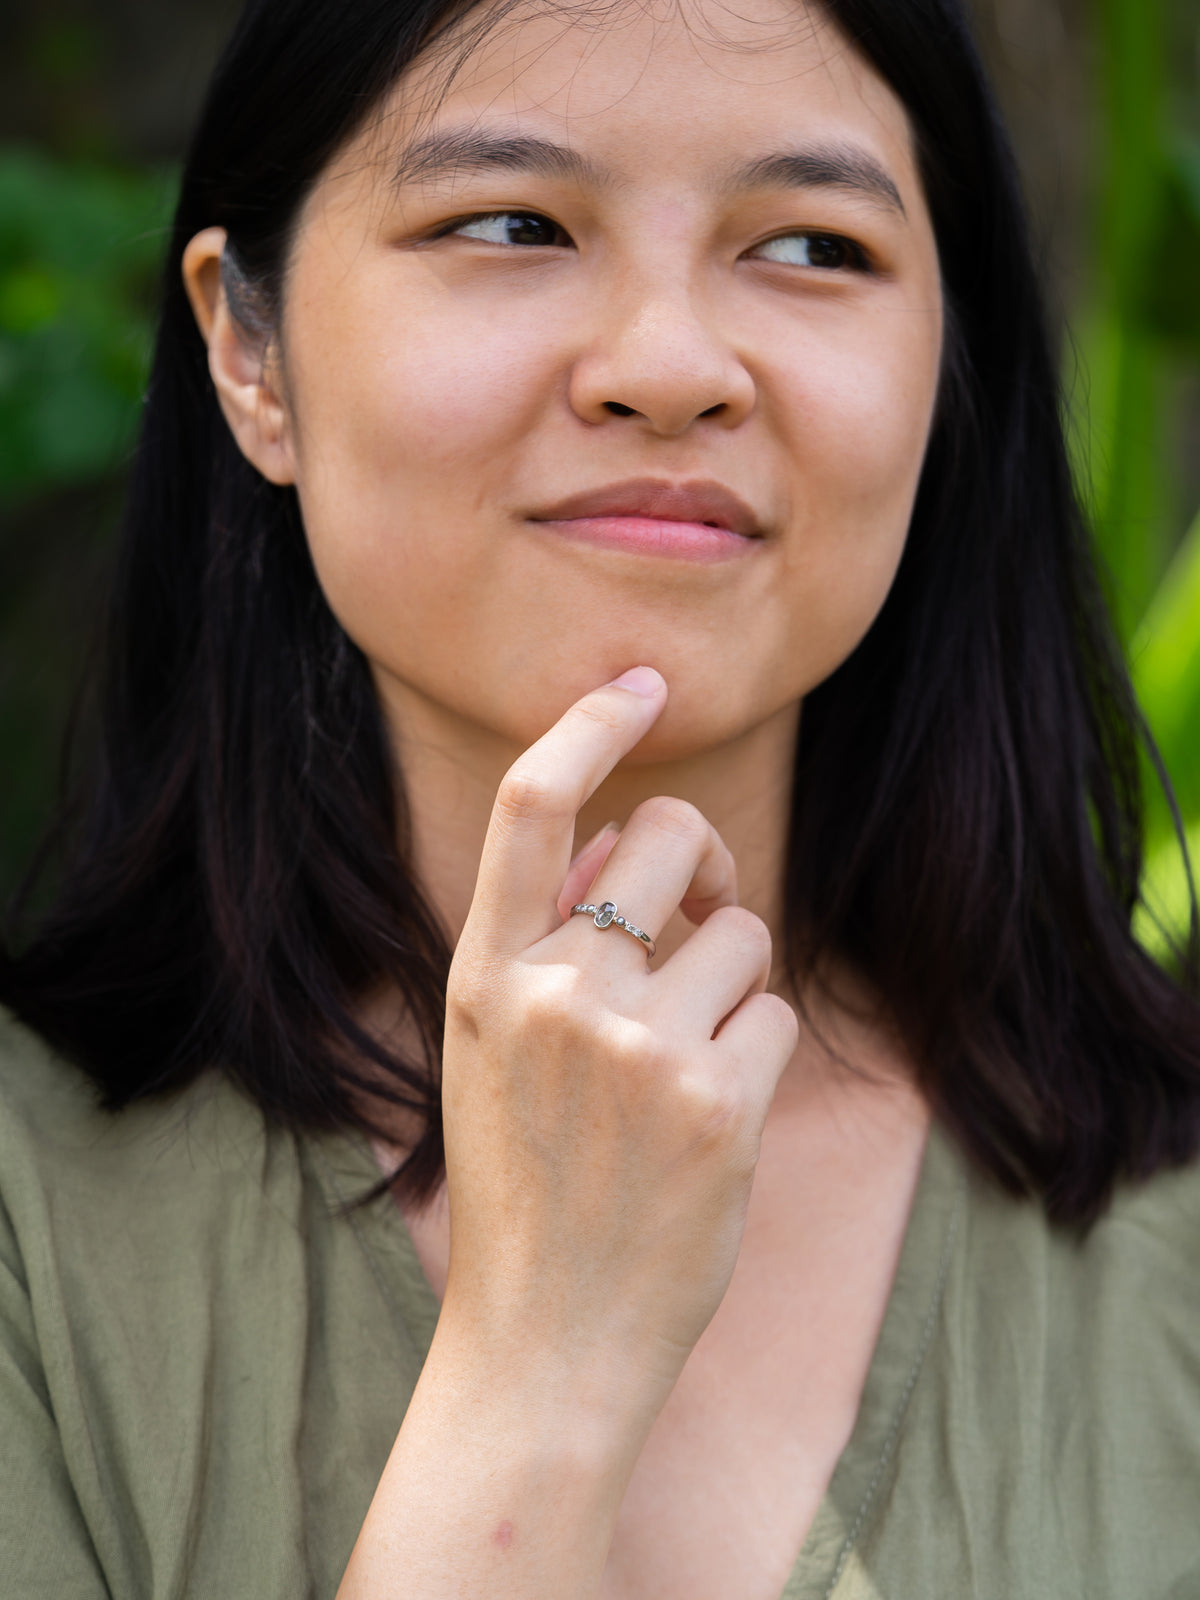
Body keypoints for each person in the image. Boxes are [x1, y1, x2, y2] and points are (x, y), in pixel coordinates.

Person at [2, 0, 1199, 1594]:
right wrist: (540, 1361)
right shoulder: (31, 1218)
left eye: (814, 247)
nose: (670, 369)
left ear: (945, 364)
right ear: (250, 354)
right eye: (512, 224)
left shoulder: (1167, 1238)